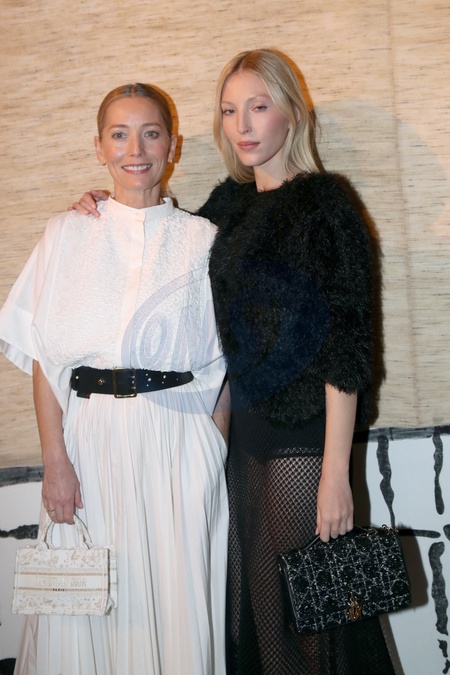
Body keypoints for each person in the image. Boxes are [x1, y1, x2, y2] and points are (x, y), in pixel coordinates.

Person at [70, 50, 396, 674]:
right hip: (240, 437)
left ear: (291, 114)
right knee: (259, 619)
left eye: (258, 106)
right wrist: (104, 205)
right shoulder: (228, 208)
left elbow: (348, 350)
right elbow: (162, 244)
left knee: (316, 622)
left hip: (304, 440)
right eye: (228, 110)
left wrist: (336, 473)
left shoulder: (326, 205)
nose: (242, 125)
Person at [0, 83, 228, 675]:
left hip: (178, 445)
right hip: (90, 443)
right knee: (89, 609)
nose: (136, 149)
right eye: (119, 134)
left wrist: (212, 452)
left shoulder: (204, 240)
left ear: (172, 145)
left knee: (174, 607)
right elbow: (47, 360)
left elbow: (222, 365)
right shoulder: (67, 232)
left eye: (151, 133)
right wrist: (54, 461)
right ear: (98, 146)